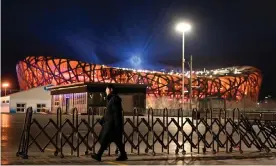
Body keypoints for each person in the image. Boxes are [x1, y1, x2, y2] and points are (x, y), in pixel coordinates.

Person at [91, 84, 127, 162]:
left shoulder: (114, 100)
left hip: (112, 125)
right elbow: (109, 113)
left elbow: (116, 113)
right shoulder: (112, 99)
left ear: (111, 89)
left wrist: (117, 125)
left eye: (106, 89)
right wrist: (102, 120)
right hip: (112, 124)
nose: (105, 91)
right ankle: (123, 155)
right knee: (117, 140)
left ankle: (99, 155)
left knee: (106, 139)